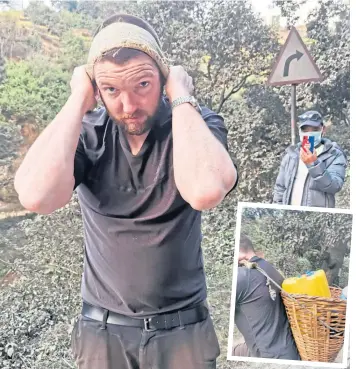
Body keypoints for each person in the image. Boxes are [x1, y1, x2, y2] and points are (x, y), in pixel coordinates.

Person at [14, 14, 238, 369]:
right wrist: (77, 100)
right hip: (102, 336)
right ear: (96, 88)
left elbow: (205, 191)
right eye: (112, 90)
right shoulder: (88, 135)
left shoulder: (195, 124)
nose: (129, 106)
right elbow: (36, 196)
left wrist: (180, 95)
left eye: (143, 85)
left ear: (162, 78)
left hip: (184, 334)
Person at [233, 234, 300, 360]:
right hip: (290, 352)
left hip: (267, 357)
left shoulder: (242, 276)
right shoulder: (270, 268)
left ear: (240, 255)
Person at [273, 110, 347, 208]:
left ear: (323, 130)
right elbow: (280, 189)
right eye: (305, 130)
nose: (309, 134)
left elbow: (335, 186)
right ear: (299, 131)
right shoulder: (291, 155)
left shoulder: (334, 155)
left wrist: (313, 164)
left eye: (314, 129)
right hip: (291, 215)